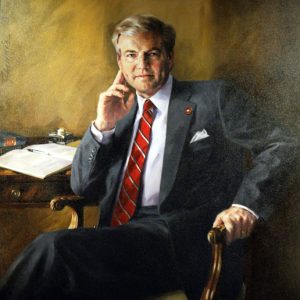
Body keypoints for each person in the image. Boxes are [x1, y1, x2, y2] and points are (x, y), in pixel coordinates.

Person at [0, 14, 297, 300]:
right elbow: (82, 187)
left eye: (151, 53)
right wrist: (102, 127)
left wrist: (244, 206)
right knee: (54, 277)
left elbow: (284, 144)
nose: (140, 65)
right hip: (118, 242)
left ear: (170, 56)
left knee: (53, 250)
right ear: (120, 61)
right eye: (130, 55)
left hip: (180, 244)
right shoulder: (120, 112)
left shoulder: (214, 98)